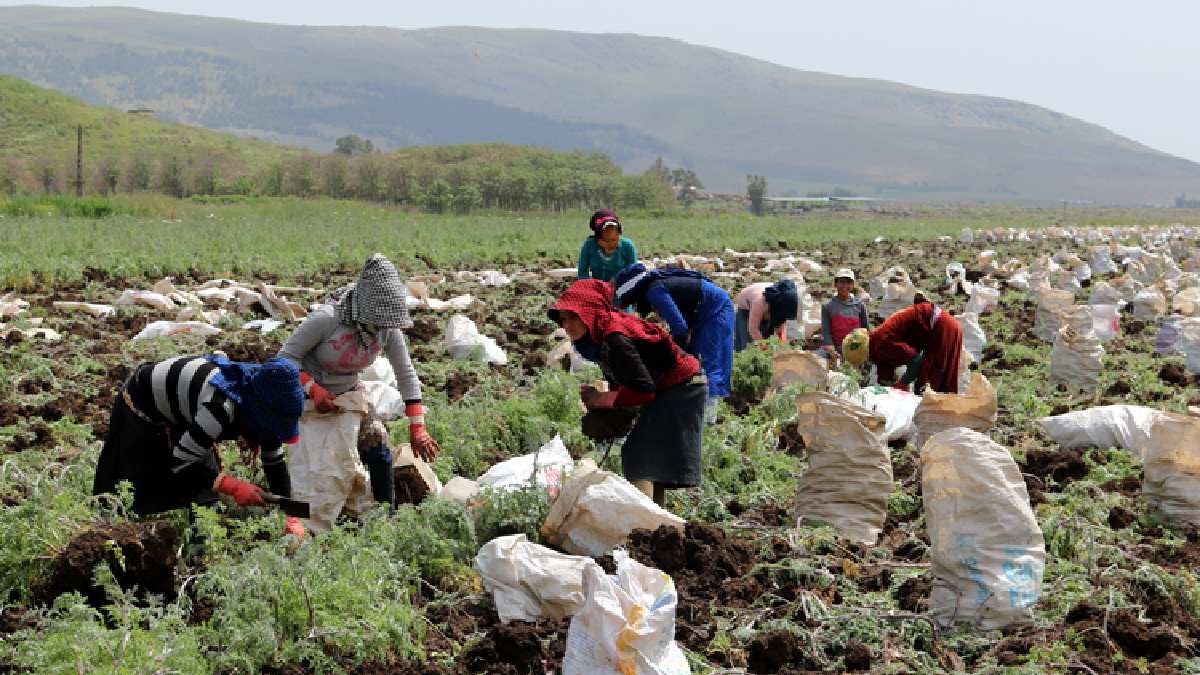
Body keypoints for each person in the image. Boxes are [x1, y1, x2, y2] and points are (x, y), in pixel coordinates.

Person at [278, 253, 440, 507]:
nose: (382, 328)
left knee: (379, 452)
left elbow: (405, 372)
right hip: (307, 399)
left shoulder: (386, 328)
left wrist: (417, 425)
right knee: (317, 468)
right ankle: (300, 513)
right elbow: (284, 360)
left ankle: (384, 516)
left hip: (350, 397)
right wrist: (313, 388)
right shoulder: (328, 320)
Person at [93, 354, 307, 539]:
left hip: (185, 409)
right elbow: (181, 462)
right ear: (259, 414)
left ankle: (202, 539)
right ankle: (107, 528)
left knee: (206, 487)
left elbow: (275, 462)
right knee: (132, 483)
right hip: (143, 405)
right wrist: (234, 487)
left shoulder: (266, 406)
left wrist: (291, 514)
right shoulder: (219, 408)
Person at [549, 279, 706, 506]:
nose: (567, 325)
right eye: (563, 319)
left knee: (639, 457)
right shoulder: (601, 335)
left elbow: (643, 390)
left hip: (682, 388)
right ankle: (656, 527)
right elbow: (629, 378)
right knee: (651, 461)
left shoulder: (615, 337)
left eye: (574, 316)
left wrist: (601, 399)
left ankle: (644, 527)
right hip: (672, 387)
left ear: (591, 313)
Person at [612, 262, 734, 404]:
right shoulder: (654, 287)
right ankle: (694, 406)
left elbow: (680, 328)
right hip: (699, 312)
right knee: (693, 360)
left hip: (715, 309)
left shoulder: (654, 291)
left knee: (709, 360)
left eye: (631, 301)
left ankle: (709, 416)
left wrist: (671, 354)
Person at [867, 299, 964, 393]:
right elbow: (885, 371)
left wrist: (902, 383)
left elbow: (916, 361)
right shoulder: (877, 346)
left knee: (932, 381)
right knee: (936, 378)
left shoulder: (883, 342)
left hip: (942, 326)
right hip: (947, 325)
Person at [733, 279, 799, 351]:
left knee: (766, 334)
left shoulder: (784, 303)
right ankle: (742, 356)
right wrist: (764, 347)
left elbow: (781, 324)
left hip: (768, 306)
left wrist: (782, 343)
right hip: (745, 308)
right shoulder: (759, 302)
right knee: (747, 342)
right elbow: (753, 329)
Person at [820, 268, 870, 362]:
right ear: (836, 284)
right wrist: (832, 350)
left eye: (849, 283)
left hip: (857, 349)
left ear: (853, 285)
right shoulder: (828, 306)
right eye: (842, 282)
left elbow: (866, 330)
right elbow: (826, 332)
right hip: (836, 350)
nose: (845, 286)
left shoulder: (860, 305)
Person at [577, 209, 637, 282]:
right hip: (597, 288)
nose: (611, 244)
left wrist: (619, 281)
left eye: (614, 239)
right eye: (607, 241)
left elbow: (633, 272)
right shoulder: (589, 245)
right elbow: (582, 270)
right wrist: (590, 285)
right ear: (598, 238)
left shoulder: (627, 246)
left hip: (621, 288)